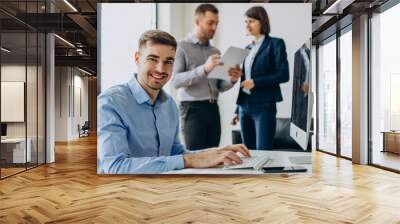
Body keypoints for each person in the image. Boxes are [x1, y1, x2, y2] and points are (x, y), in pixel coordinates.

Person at [98, 30, 250, 174]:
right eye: (153, 59)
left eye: (169, 61)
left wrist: (217, 153)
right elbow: (115, 167)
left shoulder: (169, 104)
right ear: (137, 58)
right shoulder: (111, 102)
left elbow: (176, 154)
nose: (161, 69)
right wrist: (188, 160)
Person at [172, 3, 242, 151]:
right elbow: (176, 81)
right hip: (192, 110)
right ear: (197, 22)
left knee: (214, 156)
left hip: (213, 108)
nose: (214, 27)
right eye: (210, 23)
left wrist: (232, 79)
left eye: (216, 23)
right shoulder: (181, 47)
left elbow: (220, 87)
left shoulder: (215, 50)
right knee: (196, 157)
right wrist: (204, 68)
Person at [231, 6, 289, 150]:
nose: (247, 25)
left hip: (264, 107)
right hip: (244, 107)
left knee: (264, 152)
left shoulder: (275, 44)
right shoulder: (247, 49)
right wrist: (237, 109)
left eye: (251, 21)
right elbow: (244, 81)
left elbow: (284, 74)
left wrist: (256, 82)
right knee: (248, 153)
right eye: (246, 22)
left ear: (262, 22)